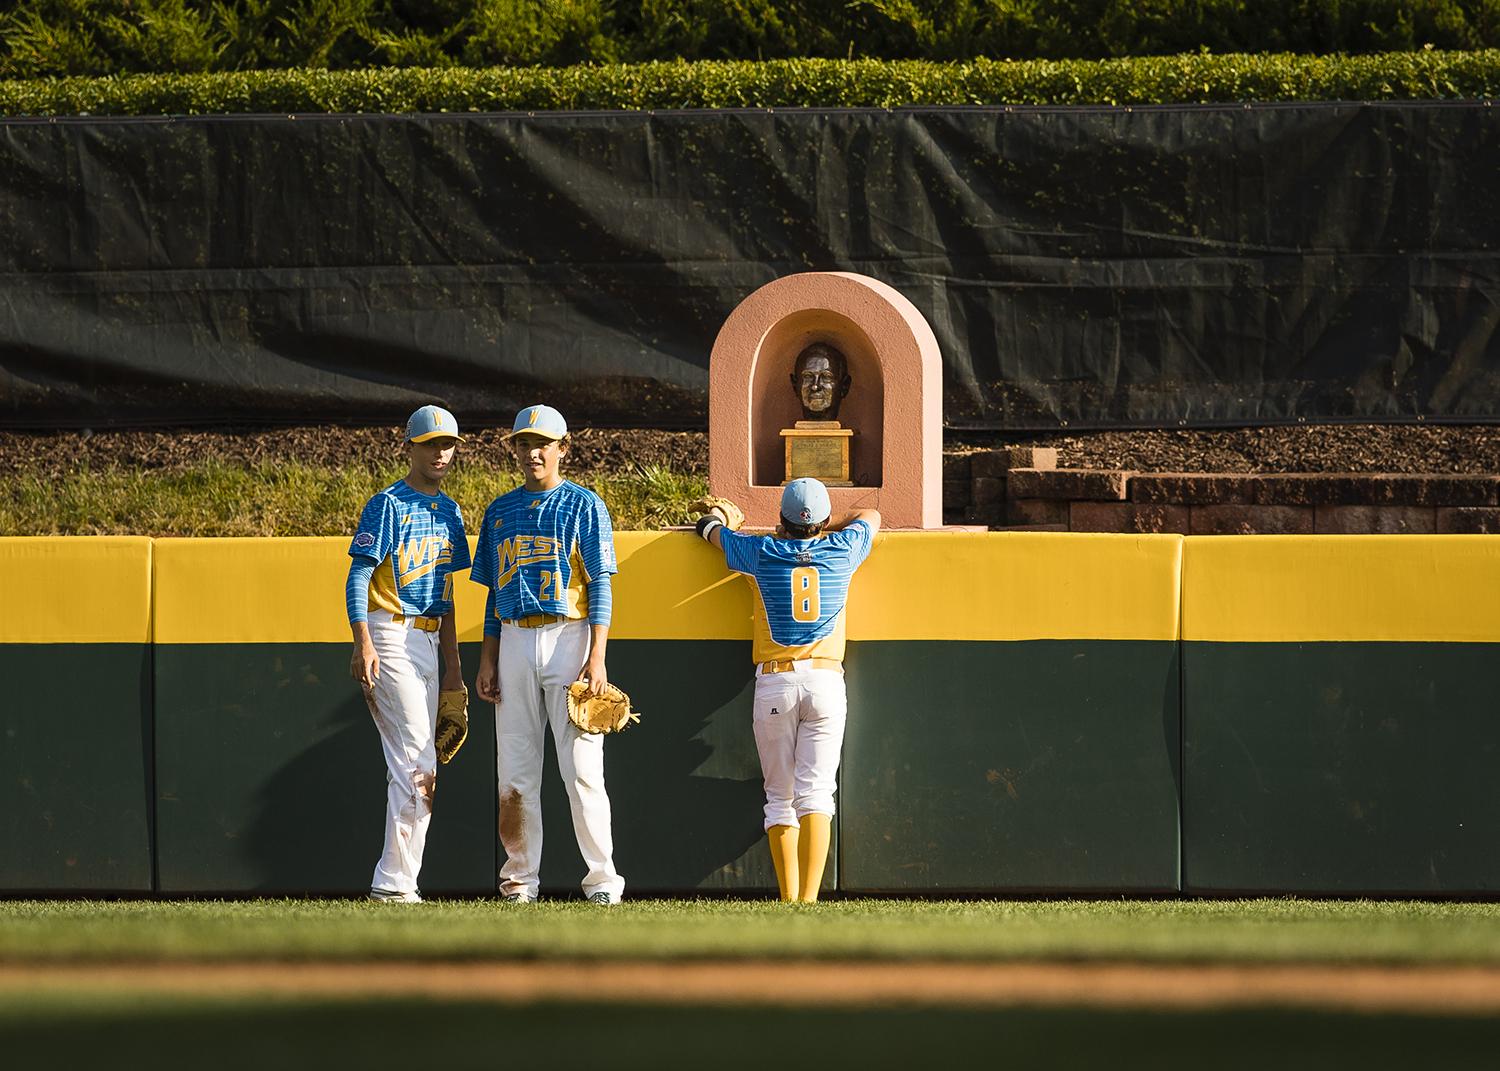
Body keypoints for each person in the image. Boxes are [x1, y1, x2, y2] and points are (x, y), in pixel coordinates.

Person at [696, 478, 879, 901]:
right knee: (817, 792)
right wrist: (838, 525)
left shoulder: (760, 552)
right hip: (826, 679)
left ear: (780, 520)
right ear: (825, 522)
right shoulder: (844, 547)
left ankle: (788, 899)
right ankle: (810, 901)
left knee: (779, 795)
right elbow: (872, 516)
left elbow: (708, 528)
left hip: (776, 680)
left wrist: (723, 517)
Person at [470, 404, 624, 905]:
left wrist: (598, 656)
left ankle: (602, 881)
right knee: (514, 772)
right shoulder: (498, 510)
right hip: (514, 637)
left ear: (563, 448)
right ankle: (519, 882)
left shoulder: (584, 504)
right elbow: (494, 592)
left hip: (570, 636)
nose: (532, 451)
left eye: (543, 442)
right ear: (513, 448)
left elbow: (600, 582)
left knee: (581, 767)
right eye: (523, 442)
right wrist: (488, 656)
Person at [346, 404, 471, 903]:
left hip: (427, 638)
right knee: (417, 757)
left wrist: (454, 671)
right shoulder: (387, 504)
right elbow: (358, 575)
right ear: (410, 447)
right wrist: (363, 640)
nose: (441, 452)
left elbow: (445, 593)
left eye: (448, 444)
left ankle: (396, 884)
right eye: (431, 444)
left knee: (420, 763)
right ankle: (395, 884)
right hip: (389, 631)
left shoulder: (451, 510)